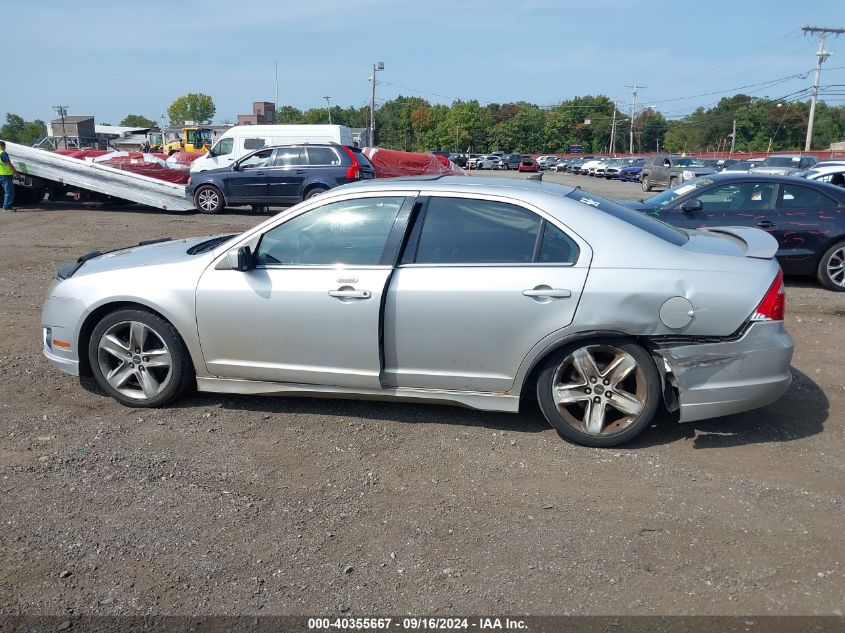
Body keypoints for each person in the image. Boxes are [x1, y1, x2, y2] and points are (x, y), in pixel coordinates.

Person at [0, 140, 17, 211]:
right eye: (4, 146)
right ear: (2, 146)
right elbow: (9, 164)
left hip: (1, 175)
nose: (5, 147)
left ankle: (7, 206)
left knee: (7, 191)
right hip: (6, 175)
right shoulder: (3, 153)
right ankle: (6, 207)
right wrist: (15, 171)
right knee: (9, 192)